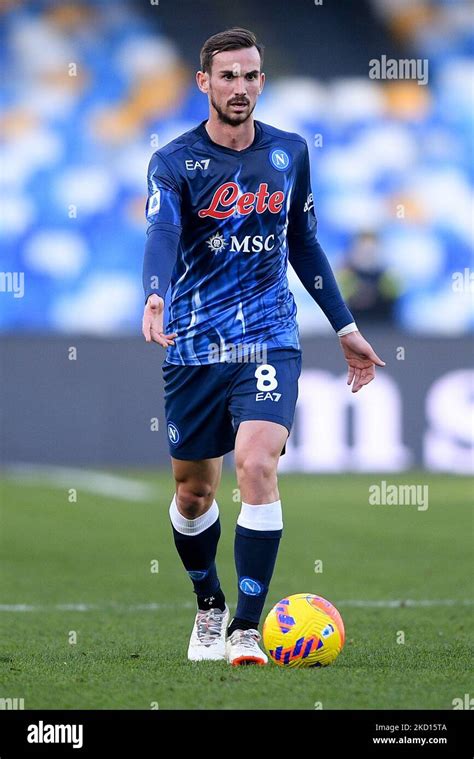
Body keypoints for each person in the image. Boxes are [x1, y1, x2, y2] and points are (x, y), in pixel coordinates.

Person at [142, 27, 385, 665]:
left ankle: (248, 628)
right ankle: (210, 606)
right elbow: (162, 233)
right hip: (194, 343)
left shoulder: (290, 153)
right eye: (228, 76)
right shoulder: (173, 160)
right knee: (193, 493)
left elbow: (303, 244)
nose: (241, 88)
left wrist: (344, 326)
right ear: (204, 83)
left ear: (262, 81)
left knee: (257, 465)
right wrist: (155, 294)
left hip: (269, 338)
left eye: (251, 76)